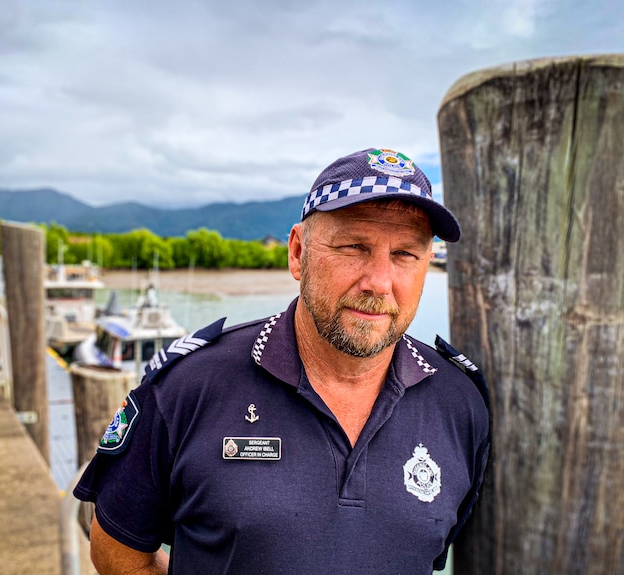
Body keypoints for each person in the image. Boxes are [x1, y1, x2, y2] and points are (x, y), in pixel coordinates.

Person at [74, 148, 491, 575]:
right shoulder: (189, 387)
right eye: (353, 247)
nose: (379, 283)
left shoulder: (460, 404)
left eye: (405, 254)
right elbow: (118, 550)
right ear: (297, 252)